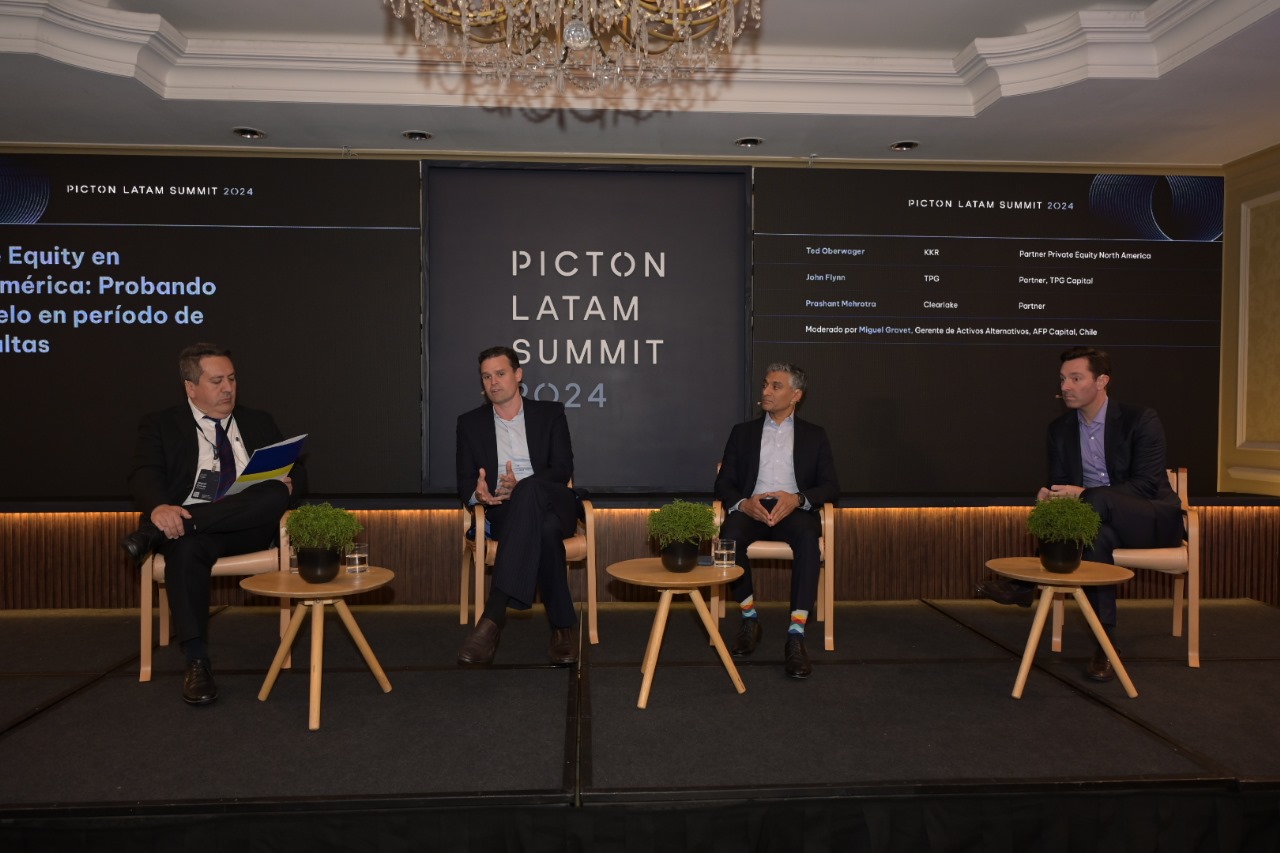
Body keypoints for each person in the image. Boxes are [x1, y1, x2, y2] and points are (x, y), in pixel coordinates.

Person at [976, 346, 1183, 681]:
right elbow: (1060, 483)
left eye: (1075, 378)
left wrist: (1084, 495)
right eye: (1062, 379)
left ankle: (1024, 585)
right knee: (1093, 535)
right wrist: (1052, 496)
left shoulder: (1141, 420)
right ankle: (1105, 643)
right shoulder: (1059, 430)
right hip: (1097, 523)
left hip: (1150, 520)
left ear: (1102, 381)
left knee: (1094, 500)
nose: (1065, 387)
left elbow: (1146, 485)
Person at [121, 343, 305, 705]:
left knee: (273, 492)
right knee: (185, 548)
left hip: (248, 528)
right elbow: (143, 473)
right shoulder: (162, 424)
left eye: (232, 379)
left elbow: (298, 472)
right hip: (194, 536)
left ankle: (166, 530)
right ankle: (196, 660)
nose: (228, 389)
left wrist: (290, 483)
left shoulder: (258, 421)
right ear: (190, 387)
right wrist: (159, 508)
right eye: (217, 381)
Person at [455, 345, 581, 667]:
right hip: (506, 511)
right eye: (486, 376)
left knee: (531, 493)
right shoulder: (470, 424)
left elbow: (562, 469)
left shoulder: (550, 414)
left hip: (554, 503)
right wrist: (479, 493)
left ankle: (492, 617)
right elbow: (465, 481)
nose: (493, 382)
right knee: (546, 532)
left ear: (518, 374)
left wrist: (523, 486)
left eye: (500, 373)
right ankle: (563, 628)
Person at [714, 363, 839, 679]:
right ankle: (749, 618)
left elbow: (830, 486)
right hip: (752, 509)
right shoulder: (742, 433)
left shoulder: (814, 435)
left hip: (793, 511)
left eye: (776, 386)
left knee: (808, 539)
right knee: (729, 534)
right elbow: (723, 483)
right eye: (765, 385)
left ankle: (796, 634)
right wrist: (744, 504)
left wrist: (796, 499)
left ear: (796, 395)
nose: (766, 392)